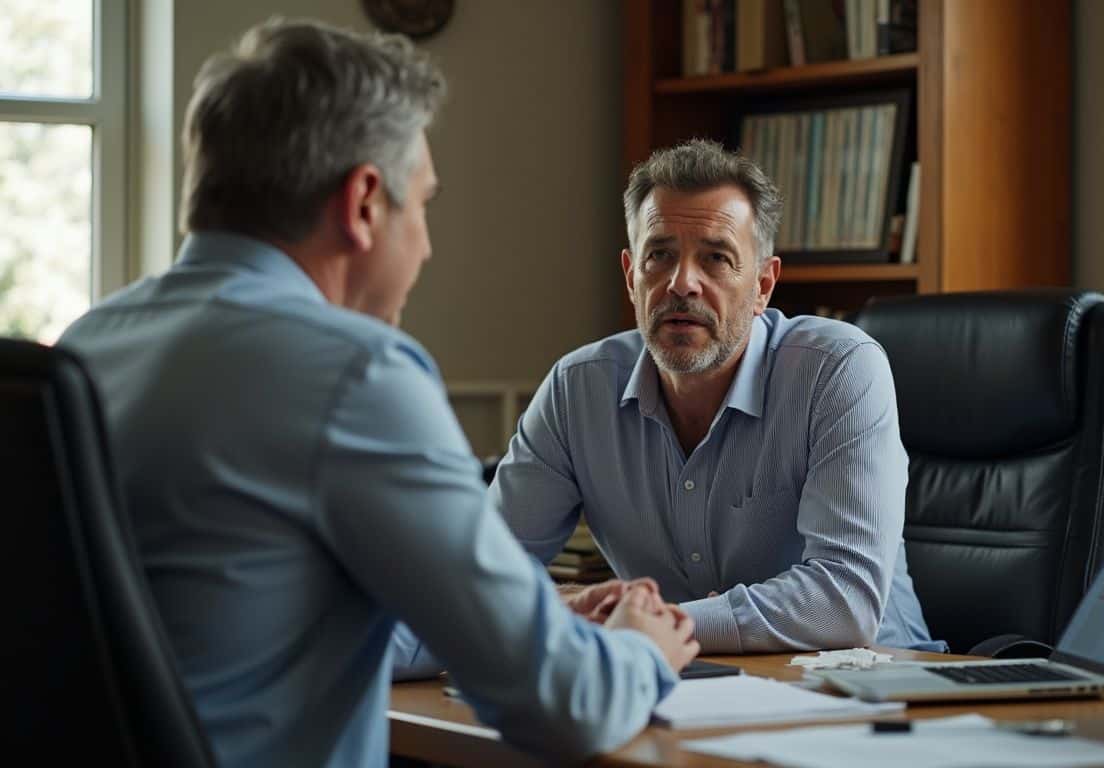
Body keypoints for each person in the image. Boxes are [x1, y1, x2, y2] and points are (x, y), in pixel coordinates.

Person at [58, 18, 697, 768]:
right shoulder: (354, 373)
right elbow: (562, 705)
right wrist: (638, 649)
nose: (424, 243)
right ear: (364, 202)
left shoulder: (88, 344)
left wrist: (530, 618)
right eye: (421, 205)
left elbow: (244, 618)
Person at [394, 139, 943, 678]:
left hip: (875, 695)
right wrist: (570, 614)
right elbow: (480, 576)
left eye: (716, 258)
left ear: (763, 285)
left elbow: (844, 599)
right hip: (688, 690)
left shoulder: (838, 369)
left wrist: (656, 627)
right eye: (660, 255)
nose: (681, 283)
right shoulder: (577, 388)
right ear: (632, 274)